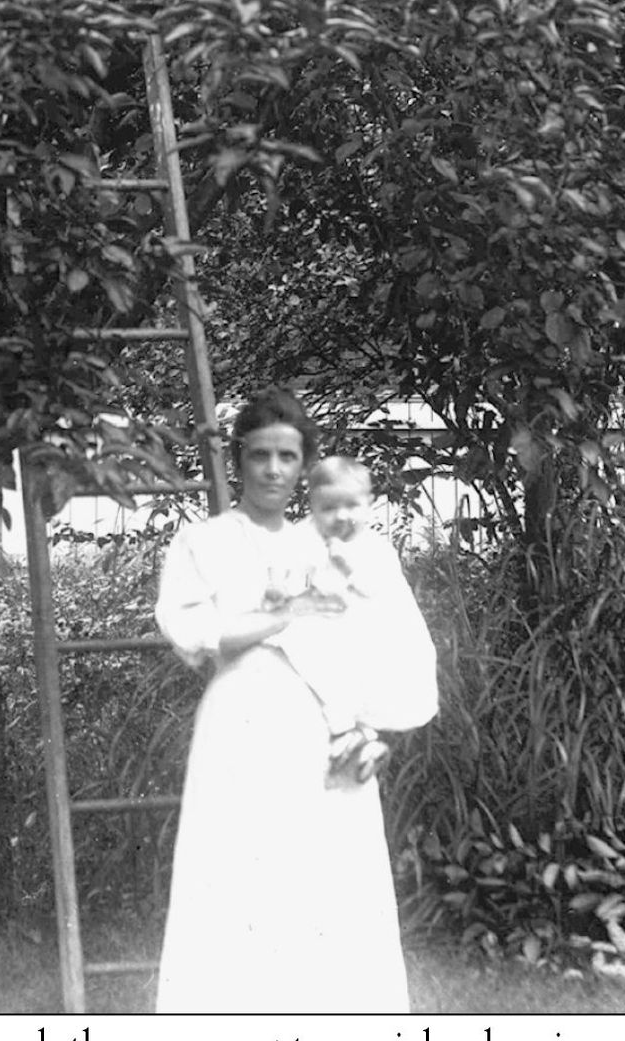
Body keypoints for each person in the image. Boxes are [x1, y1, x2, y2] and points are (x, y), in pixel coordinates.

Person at [154, 391, 437, 1013]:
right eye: (260, 456)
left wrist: (375, 730)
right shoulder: (205, 543)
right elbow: (196, 636)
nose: (274, 470)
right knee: (236, 880)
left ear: (305, 465)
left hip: (326, 732)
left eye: (288, 456)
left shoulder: (340, 544)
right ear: (240, 460)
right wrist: (287, 615)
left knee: (328, 886)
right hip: (242, 725)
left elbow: (391, 642)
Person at [266, 455, 438, 786]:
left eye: (351, 506)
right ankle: (353, 738)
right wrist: (279, 586)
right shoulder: (302, 539)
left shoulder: (374, 548)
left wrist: (351, 568)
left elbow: (382, 592)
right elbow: (284, 570)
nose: (341, 516)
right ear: (312, 505)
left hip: (364, 631)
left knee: (359, 680)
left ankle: (360, 736)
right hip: (320, 625)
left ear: (369, 504)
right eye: (328, 508)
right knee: (305, 658)